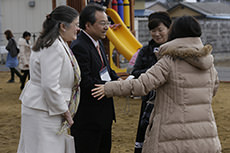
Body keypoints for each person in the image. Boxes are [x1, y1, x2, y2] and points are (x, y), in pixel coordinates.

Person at [92, 16, 221, 153]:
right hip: (204, 134)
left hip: (172, 135)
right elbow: (213, 89)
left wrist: (109, 88)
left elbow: (141, 85)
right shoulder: (208, 64)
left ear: (174, 33)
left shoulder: (169, 61)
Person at [17, 5, 81, 153]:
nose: (78, 29)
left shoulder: (55, 42)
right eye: (76, 25)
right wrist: (65, 111)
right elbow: (50, 85)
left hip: (45, 107)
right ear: (63, 26)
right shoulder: (53, 45)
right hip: (44, 109)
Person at [70, 4, 121, 153]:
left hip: (103, 117)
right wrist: (113, 87)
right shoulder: (79, 46)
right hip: (89, 120)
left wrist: (118, 80)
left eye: (108, 23)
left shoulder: (98, 41)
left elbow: (106, 69)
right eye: (103, 23)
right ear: (88, 25)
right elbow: (85, 81)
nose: (107, 27)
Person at [131, 11, 171, 153]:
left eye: (160, 30)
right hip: (149, 102)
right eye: (153, 30)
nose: (157, 34)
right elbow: (135, 73)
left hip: (170, 103)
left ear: (169, 29)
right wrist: (154, 70)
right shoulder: (145, 51)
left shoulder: (175, 50)